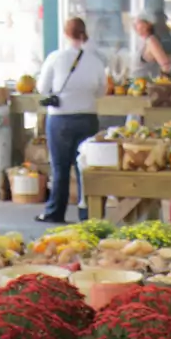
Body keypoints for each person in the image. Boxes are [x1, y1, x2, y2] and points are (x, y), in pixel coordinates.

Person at [35, 17, 107, 224]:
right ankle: (87, 214)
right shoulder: (95, 61)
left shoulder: (56, 57)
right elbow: (101, 91)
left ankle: (55, 212)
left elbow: (42, 88)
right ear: (84, 34)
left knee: (60, 168)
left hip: (60, 119)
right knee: (84, 166)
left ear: (65, 34)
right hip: (88, 117)